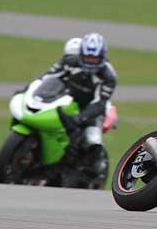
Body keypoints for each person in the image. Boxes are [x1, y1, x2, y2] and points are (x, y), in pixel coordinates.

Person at [38, 32, 117, 169]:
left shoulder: (108, 76)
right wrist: (27, 90)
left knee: (93, 141)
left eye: (94, 59)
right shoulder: (69, 61)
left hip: (92, 109)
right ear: (80, 53)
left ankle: (95, 168)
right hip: (66, 99)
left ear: (102, 57)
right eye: (87, 57)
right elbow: (47, 77)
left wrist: (79, 119)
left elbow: (100, 104)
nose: (90, 61)